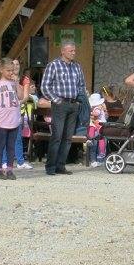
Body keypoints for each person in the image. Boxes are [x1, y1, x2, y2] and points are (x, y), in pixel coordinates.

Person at [40, 40, 87, 176]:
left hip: (74, 104)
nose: (73, 53)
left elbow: (81, 85)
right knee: (57, 136)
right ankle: (51, 166)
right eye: (71, 51)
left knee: (67, 138)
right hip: (60, 104)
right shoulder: (53, 65)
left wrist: (79, 100)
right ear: (63, 51)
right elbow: (45, 86)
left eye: (74, 51)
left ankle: (61, 166)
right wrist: (56, 100)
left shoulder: (77, 66)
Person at [0, 59, 29, 180]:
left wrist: (17, 84)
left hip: (14, 117)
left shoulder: (14, 83)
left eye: (12, 70)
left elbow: (21, 96)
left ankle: (10, 169)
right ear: (1, 70)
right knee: (1, 144)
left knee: (11, 145)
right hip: (2, 118)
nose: (11, 73)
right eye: (8, 70)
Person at [11, 58, 34, 170]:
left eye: (17, 64)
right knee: (5, 137)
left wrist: (16, 103)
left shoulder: (24, 79)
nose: (15, 66)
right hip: (6, 111)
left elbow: (24, 97)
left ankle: (20, 161)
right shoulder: (5, 78)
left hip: (19, 110)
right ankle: (5, 161)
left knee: (18, 137)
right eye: (13, 64)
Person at [87, 93, 108, 167]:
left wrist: (90, 113)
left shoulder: (97, 108)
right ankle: (100, 160)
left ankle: (90, 138)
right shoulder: (102, 108)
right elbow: (106, 116)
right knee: (101, 143)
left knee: (92, 129)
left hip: (99, 126)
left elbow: (96, 114)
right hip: (102, 126)